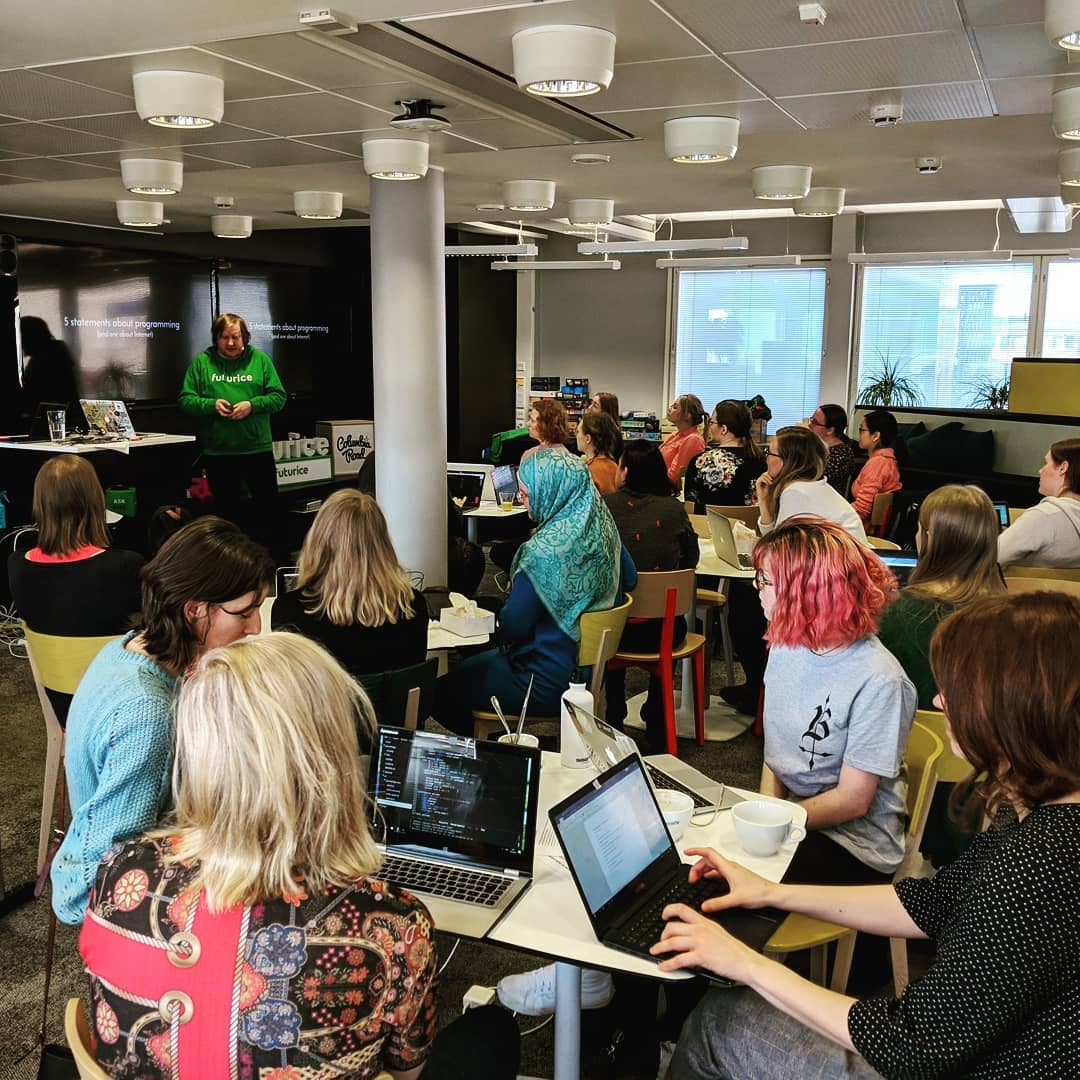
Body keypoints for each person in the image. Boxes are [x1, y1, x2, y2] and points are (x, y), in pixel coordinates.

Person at [657, 590, 1080, 1080]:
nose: (940, 700)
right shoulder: (1037, 813)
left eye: (958, 690)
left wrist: (745, 964)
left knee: (719, 1022)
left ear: (1016, 707)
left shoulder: (1042, 861)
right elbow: (934, 902)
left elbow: (911, 1047)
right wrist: (773, 892)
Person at [80, 632, 520, 1079]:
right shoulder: (394, 930)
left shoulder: (120, 873)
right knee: (490, 1032)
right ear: (331, 760)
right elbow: (406, 1071)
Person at [51, 516, 274, 925]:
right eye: (244, 612)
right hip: (123, 907)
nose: (255, 627)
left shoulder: (129, 648)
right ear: (195, 610)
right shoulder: (148, 714)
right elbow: (111, 876)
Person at [755, 519, 916, 885]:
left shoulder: (879, 679)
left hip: (857, 845)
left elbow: (853, 801)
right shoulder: (786, 641)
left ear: (805, 592)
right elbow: (777, 756)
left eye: (765, 580)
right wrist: (768, 813)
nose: (758, 588)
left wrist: (778, 821)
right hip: (798, 818)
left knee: (736, 881)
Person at [433, 449, 635, 735]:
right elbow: (630, 580)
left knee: (439, 691)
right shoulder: (604, 530)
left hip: (543, 678)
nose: (521, 498)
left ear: (551, 491)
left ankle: (498, 748)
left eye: (526, 492)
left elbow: (514, 626)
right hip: (590, 673)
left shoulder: (541, 554)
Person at [8, 455, 143, 725]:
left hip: (64, 706)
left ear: (40, 504)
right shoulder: (125, 565)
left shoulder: (16, 564)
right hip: (122, 704)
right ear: (95, 501)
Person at [602, 439, 698, 749]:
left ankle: (613, 716)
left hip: (613, 629)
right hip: (662, 630)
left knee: (612, 617)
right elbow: (690, 559)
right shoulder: (674, 510)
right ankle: (657, 720)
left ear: (626, 471)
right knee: (672, 623)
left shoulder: (605, 506)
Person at [272, 489, 428, 677]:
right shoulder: (413, 607)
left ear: (318, 541)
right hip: (394, 707)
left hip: (324, 707)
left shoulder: (289, 612)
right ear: (382, 544)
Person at [878, 484, 1005, 710]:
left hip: (913, 738)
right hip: (977, 741)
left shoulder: (896, 613)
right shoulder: (1011, 619)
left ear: (927, 537)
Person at [178, 313, 286, 531]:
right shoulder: (202, 362)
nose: (230, 343)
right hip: (219, 453)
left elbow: (279, 398)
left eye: (235, 337)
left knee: (268, 514)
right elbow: (185, 400)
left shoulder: (260, 360)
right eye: (224, 337)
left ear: (245, 337)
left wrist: (252, 405)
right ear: (216, 338)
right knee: (227, 518)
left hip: (257, 451)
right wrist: (211, 405)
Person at [755, 426, 866, 542]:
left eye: (770, 452)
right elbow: (777, 543)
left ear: (789, 461)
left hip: (843, 557)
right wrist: (764, 503)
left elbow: (779, 550)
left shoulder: (796, 492)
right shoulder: (809, 486)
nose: (766, 457)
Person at [998, 438, 1080, 569]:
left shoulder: (1043, 517)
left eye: (1045, 463)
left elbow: (990, 560)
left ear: (1063, 468)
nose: (1040, 471)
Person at [683, 399, 764, 512]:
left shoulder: (698, 462)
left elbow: (691, 505)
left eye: (711, 422)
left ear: (724, 429)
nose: (710, 426)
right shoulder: (762, 460)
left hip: (705, 527)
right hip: (748, 527)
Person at [18, 315, 79, 421]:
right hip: (62, 418)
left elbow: (32, 394)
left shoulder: (44, 358)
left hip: (49, 420)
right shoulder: (56, 352)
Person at [850, 408, 904, 525]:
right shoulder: (886, 460)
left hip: (864, 528)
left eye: (861, 430)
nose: (858, 434)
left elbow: (861, 510)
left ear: (875, 436)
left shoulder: (878, 463)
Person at [660, 394, 707, 489]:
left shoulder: (693, 439)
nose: (669, 409)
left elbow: (675, 477)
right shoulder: (675, 435)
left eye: (675, 407)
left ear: (687, 416)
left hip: (669, 490)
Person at [808, 402, 855, 495]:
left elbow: (810, 479)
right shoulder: (819, 448)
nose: (809, 425)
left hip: (825, 502)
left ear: (830, 430)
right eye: (811, 419)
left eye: (814, 422)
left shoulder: (839, 455)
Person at [577, 410, 621, 494]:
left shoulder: (586, 472)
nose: (576, 436)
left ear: (587, 439)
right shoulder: (615, 466)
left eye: (578, 432)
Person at [520, 398, 570, 463]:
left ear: (546, 425)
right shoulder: (569, 458)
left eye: (532, 421)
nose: (528, 424)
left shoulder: (530, 456)